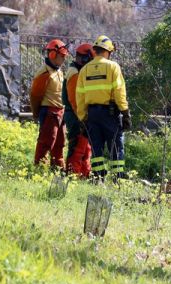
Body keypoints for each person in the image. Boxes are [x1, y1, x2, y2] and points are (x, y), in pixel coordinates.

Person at [76, 35, 132, 180]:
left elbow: (80, 98)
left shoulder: (84, 70)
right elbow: (119, 92)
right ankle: (118, 178)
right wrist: (125, 112)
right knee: (115, 145)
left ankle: (98, 177)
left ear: (95, 50)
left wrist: (82, 119)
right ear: (108, 51)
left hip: (92, 115)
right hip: (110, 114)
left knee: (96, 147)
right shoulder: (113, 67)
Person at [30, 39, 68, 168]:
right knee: (46, 143)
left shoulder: (58, 71)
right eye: (62, 56)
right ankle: (39, 169)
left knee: (60, 143)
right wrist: (36, 113)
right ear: (52, 55)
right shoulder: (44, 73)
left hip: (60, 112)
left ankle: (57, 169)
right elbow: (35, 96)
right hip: (49, 112)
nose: (64, 59)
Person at [62, 43, 95, 178]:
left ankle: (84, 174)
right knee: (77, 147)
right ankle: (72, 175)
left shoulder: (78, 71)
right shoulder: (74, 73)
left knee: (85, 148)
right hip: (76, 115)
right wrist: (82, 117)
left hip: (79, 114)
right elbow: (75, 100)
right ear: (86, 58)